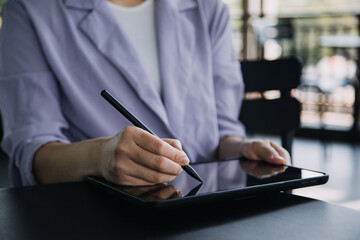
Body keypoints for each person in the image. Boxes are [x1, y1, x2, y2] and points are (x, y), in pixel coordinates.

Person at [0, 0, 290, 187]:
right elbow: (32, 152)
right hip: (99, 216)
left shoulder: (209, 8)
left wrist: (240, 149)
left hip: (203, 209)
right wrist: (99, 158)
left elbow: (223, 131)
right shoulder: (31, 8)